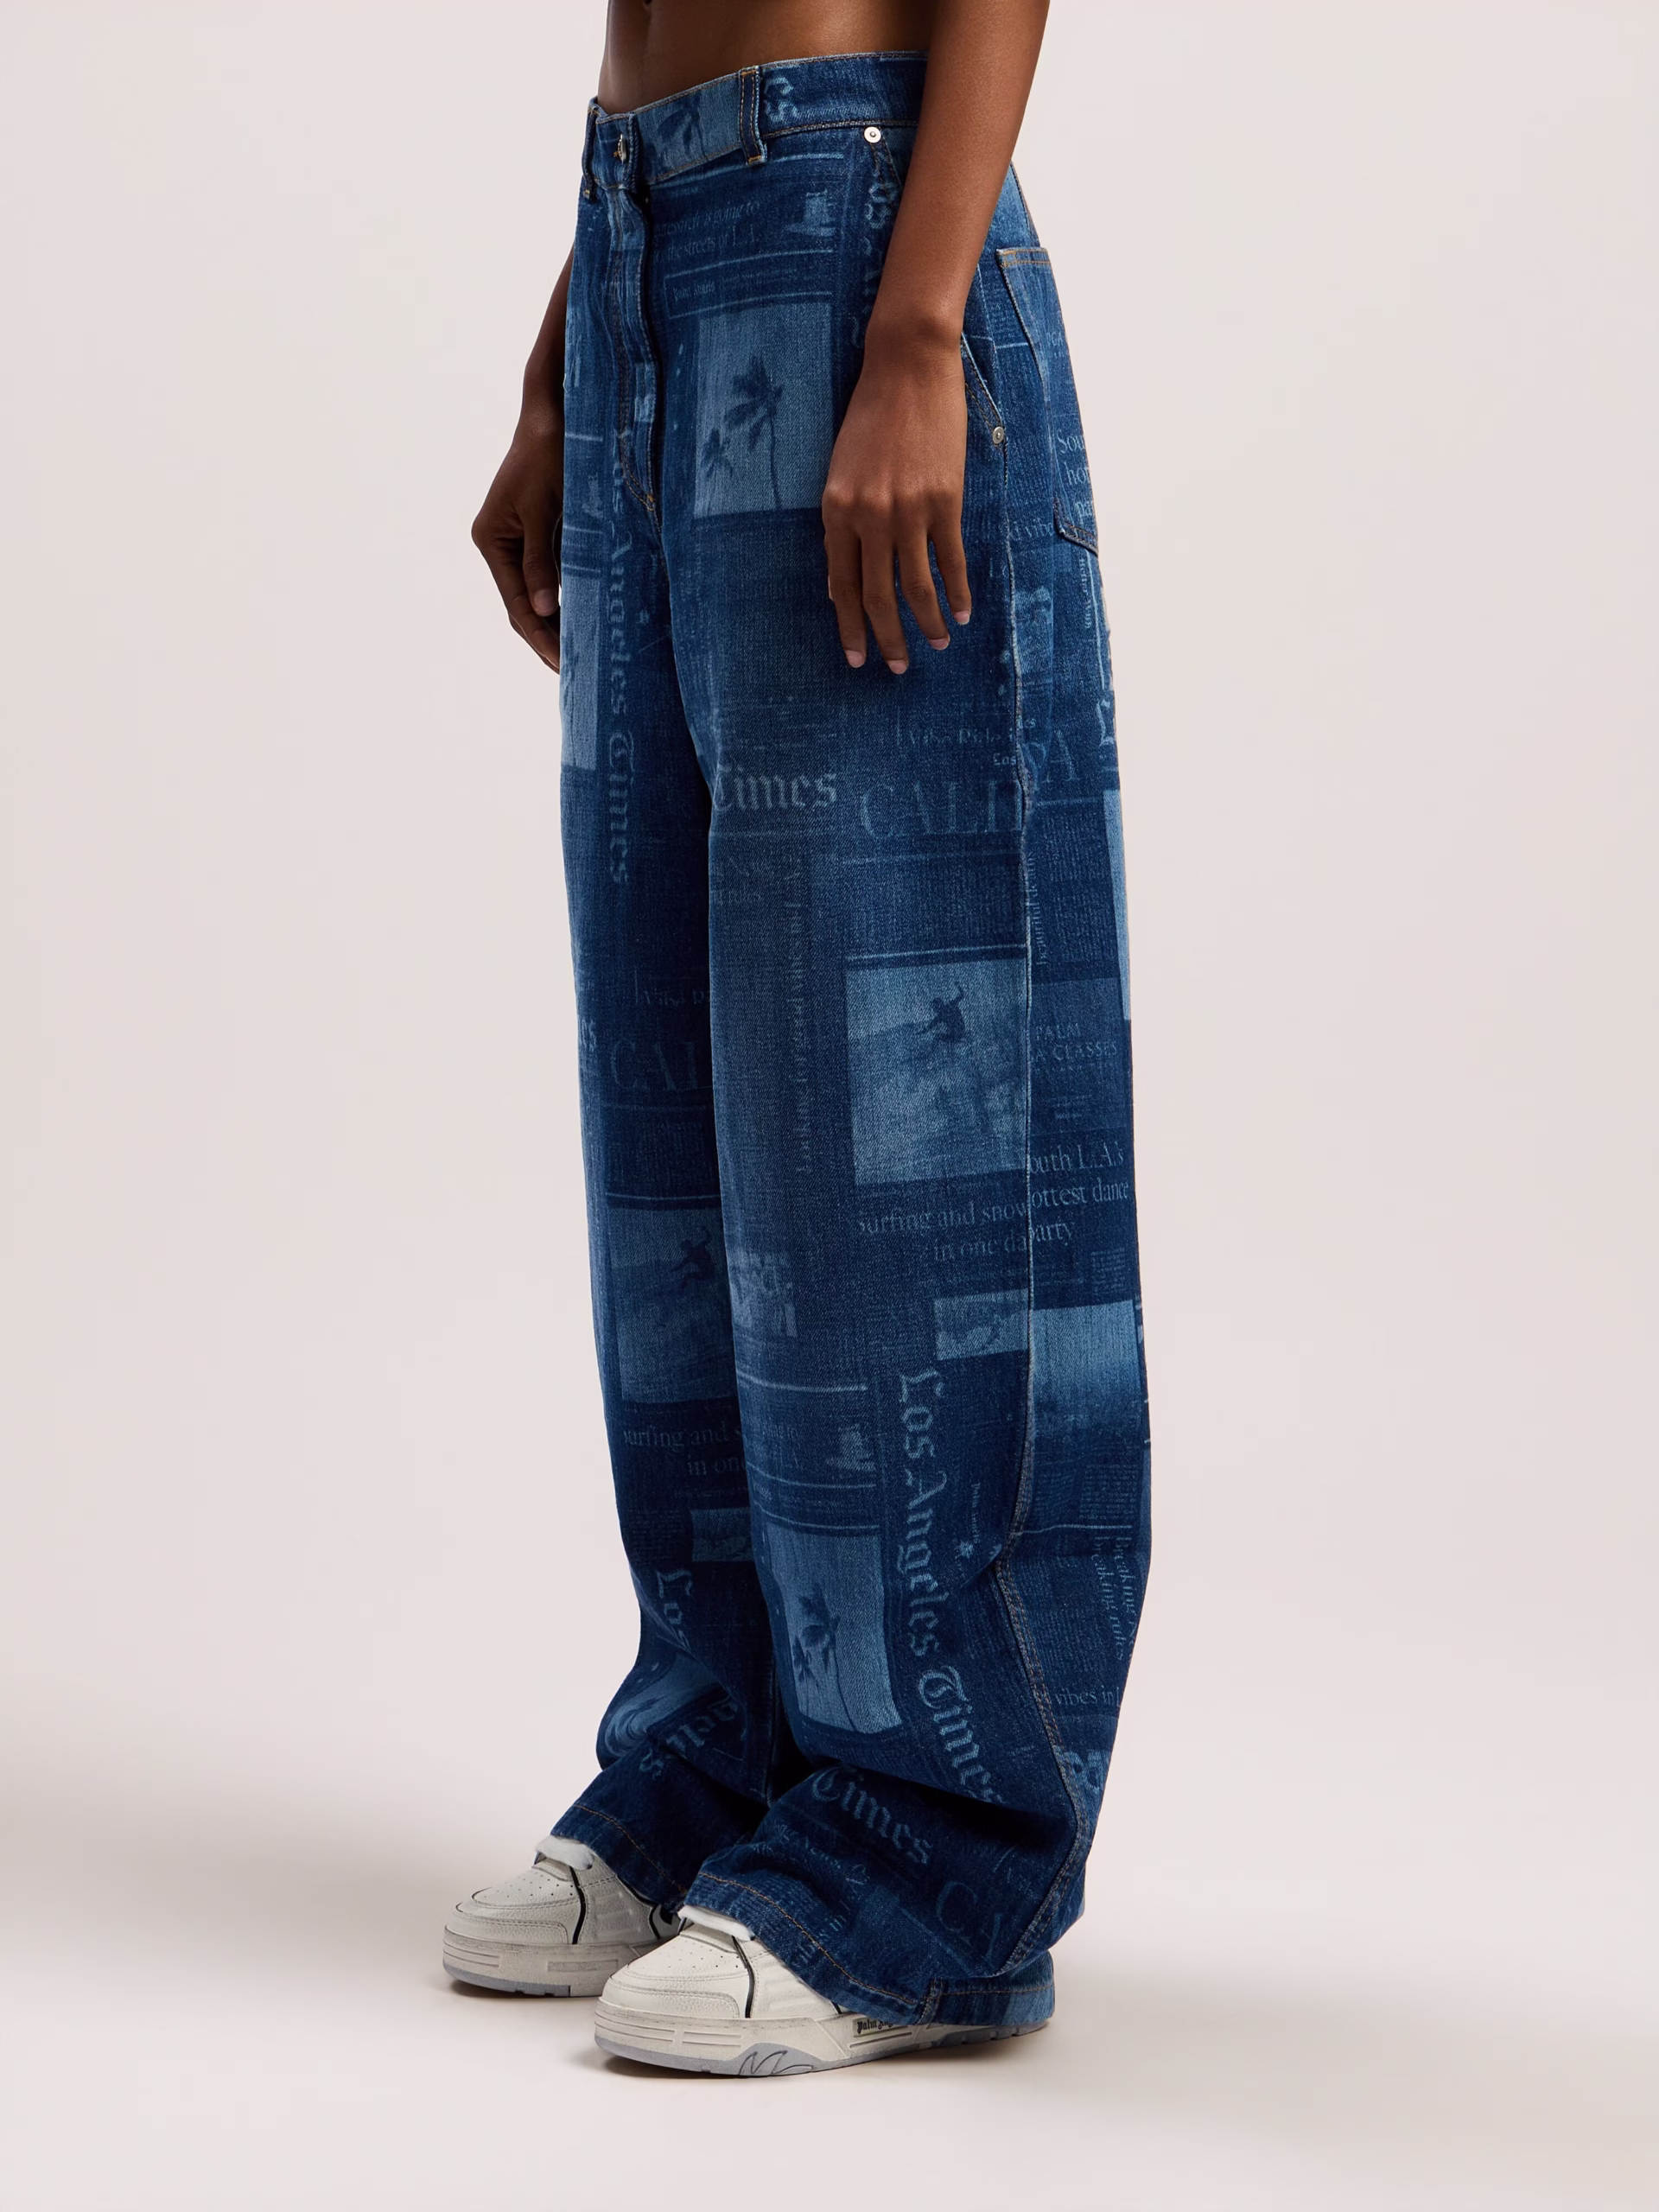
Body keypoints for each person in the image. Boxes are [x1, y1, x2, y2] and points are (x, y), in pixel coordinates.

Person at [446, 0, 1151, 2077]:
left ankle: (936, 1850)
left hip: (859, 218)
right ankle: (725, 1757)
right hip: (657, 231)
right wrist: (577, 339)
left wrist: (920, 319)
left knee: (896, 1106)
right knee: (690, 1103)